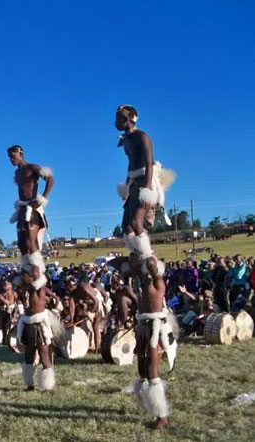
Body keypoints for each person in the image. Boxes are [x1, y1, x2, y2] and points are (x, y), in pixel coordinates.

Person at [115, 105, 173, 258]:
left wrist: (146, 189)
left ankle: (147, 254)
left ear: (127, 119)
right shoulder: (127, 141)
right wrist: (127, 185)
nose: (115, 123)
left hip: (146, 182)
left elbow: (149, 164)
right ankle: (137, 251)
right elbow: (131, 164)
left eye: (117, 119)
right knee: (126, 226)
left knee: (136, 221)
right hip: (135, 183)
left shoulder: (142, 137)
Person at [133, 256, 177, 429]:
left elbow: (151, 263)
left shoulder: (158, 282)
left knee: (152, 371)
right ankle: (150, 405)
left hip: (156, 331)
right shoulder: (141, 284)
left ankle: (162, 417)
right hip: (144, 329)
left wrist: (145, 255)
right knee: (142, 370)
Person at [7, 145, 54, 290]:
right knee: (21, 242)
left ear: (20, 154)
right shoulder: (17, 173)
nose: (11, 160)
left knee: (30, 240)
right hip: (22, 208)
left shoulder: (32, 168)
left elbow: (50, 179)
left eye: (13, 156)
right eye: (9, 157)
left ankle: (37, 269)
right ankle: (26, 268)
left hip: (32, 208)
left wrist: (42, 198)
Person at [16, 267, 56, 392]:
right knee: (28, 356)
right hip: (28, 324)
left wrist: (33, 262)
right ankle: (30, 385)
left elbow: (38, 275)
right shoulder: (24, 289)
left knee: (44, 356)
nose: (22, 277)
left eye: (24, 275)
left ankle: (48, 387)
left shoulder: (40, 288)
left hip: (39, 325)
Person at [65, 276, 100, 353]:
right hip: (88, 303)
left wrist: (92, 312)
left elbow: (96, 300)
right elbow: (72, 306)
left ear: (71, 285)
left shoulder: (83, 287)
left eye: (68, 286)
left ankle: (97, 349)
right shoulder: (72, 293)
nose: (67, 289)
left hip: (97, 302)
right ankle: (86, 346)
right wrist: (71, 319)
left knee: (95, 326)